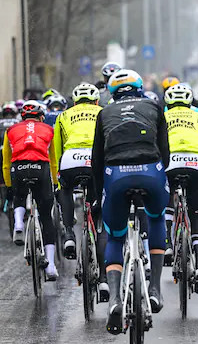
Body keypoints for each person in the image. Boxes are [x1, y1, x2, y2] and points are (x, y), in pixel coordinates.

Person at [91, 69, 170, 334]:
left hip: (116, 176)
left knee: (114, 236)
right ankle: (156, 289)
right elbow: (165, 151)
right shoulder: (154, 106)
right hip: (150, 172)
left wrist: (99, 195)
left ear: (112, 93)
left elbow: (96, 161)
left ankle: (114, 298)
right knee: (157, 217)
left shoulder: (103, 114)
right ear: (139, 88)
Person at [53, 83, 110, 299]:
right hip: (95, 162)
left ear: (74, 102)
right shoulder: (103, 113)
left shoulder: (64, 116)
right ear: (96, 101)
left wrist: (59, 175)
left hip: (71, 159)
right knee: (100, 219)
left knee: (65, 188)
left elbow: (58, 148)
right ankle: (104, 278)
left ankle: (69, 233)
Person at [2, 101, 59, 280]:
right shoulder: (49, 130)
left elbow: (5, 162)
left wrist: (9, 185)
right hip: (40, 168)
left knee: (19, 196)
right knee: (46, 217)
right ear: (40, 116)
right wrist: (56, 183)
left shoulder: (11, 131)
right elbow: (54, 161)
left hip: (18, 168)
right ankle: (50, 267)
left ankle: (19, 224)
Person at [163, 83, 198, 293]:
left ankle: (167, 243)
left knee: (165, 201)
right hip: (196, 164)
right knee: (197, 216)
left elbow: (157, 146)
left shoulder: (162, 118)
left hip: (170, 163)